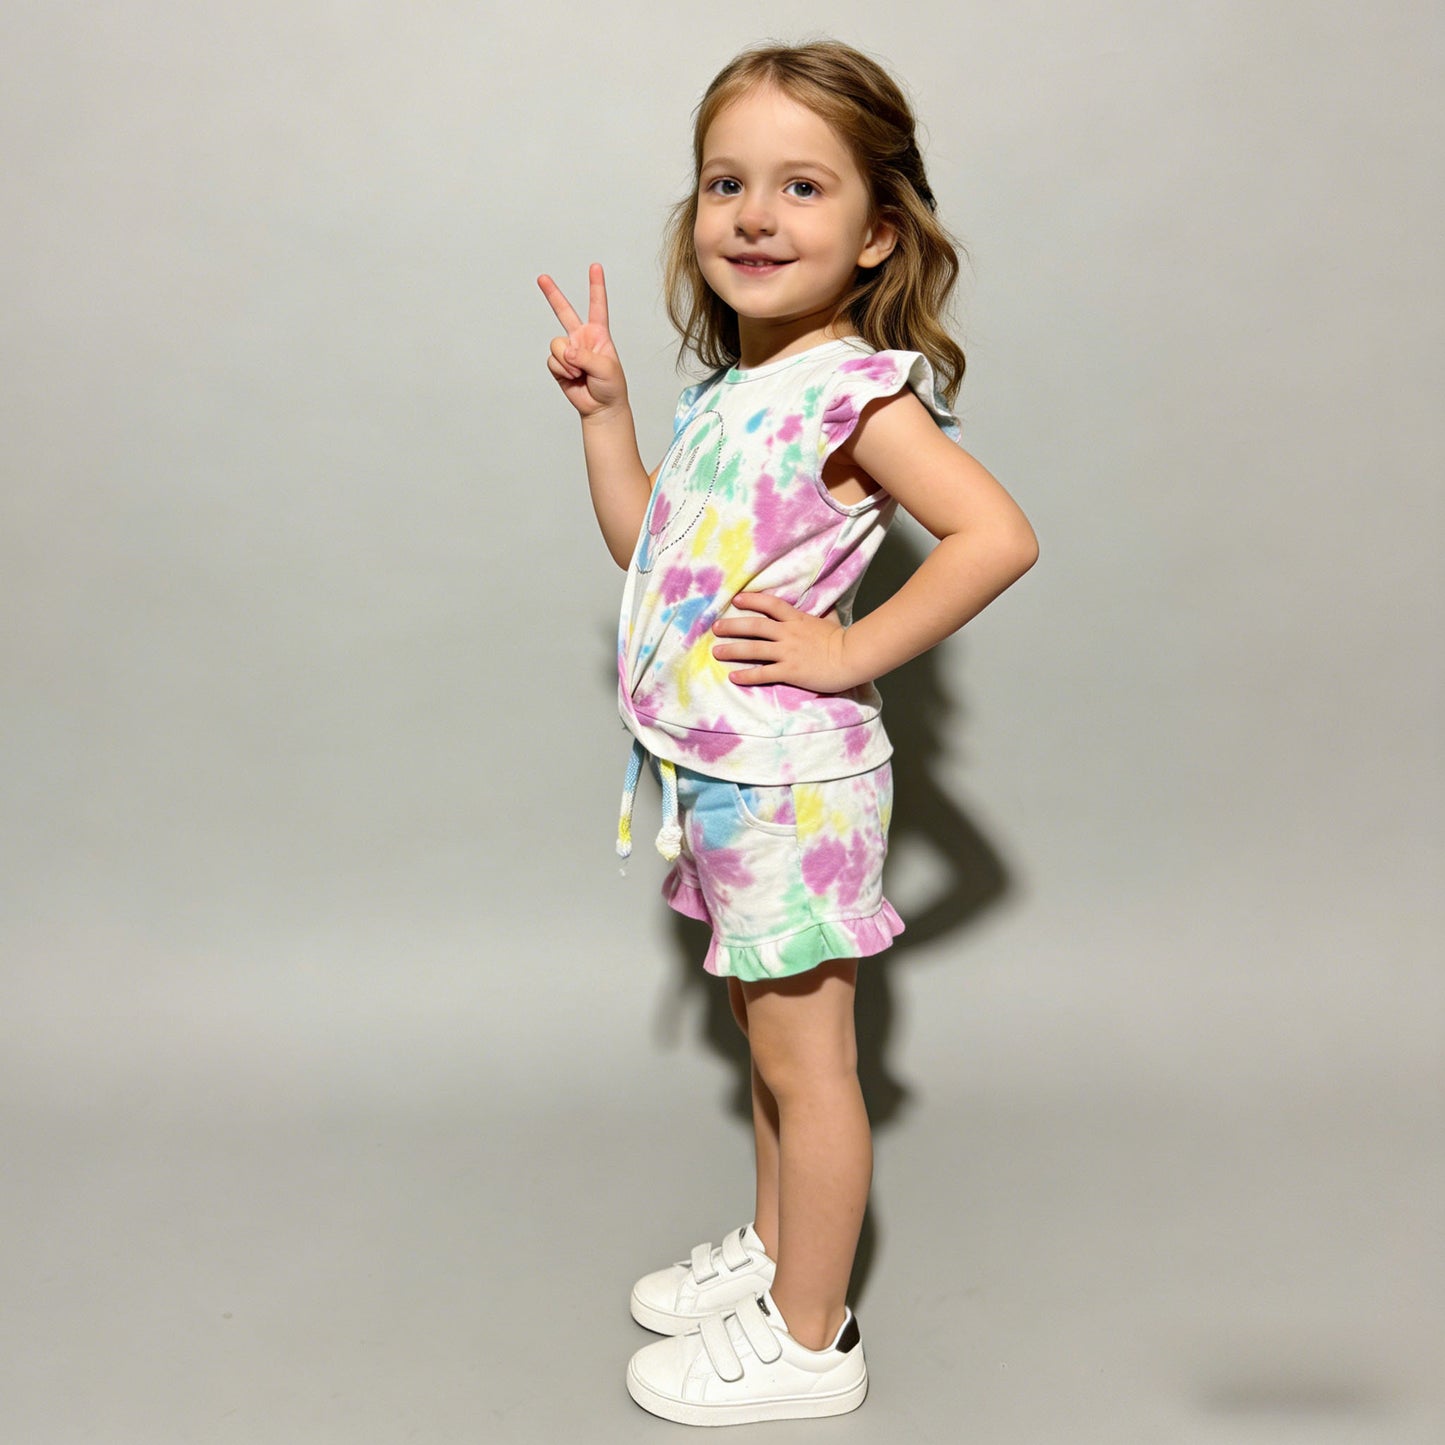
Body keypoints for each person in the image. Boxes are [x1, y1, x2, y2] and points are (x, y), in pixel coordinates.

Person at [538, 39, 1038, 1427]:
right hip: (719, 778)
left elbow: (996, 536)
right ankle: (774, 1256)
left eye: (802, 187)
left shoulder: (852, 395)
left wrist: (848, 650)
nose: (755, 216)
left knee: (806, 1067)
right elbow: (650, 553)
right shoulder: (726, 393)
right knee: (763, 1048)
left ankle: (812, 1337)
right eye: (727, 183)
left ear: (878, 231)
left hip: (792, 789)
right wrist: (608, 417)